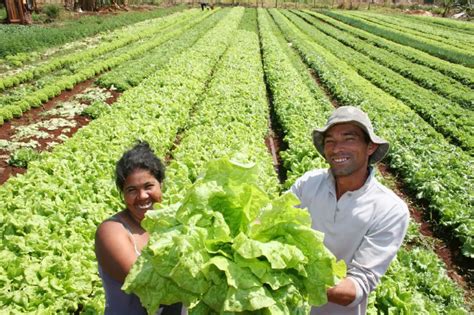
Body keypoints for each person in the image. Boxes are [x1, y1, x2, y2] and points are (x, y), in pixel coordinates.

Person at [290, 106, 409, 314]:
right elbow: (269, 223)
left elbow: (355, 289)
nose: (337, 149)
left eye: (349, 139)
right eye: (330, 141)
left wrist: (288, 273)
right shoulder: (307, 183)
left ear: (370, 147)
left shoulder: (390, 210)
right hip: (285, 307)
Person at [95, 141, 182, 315]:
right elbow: (147, 285)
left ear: (161, 185)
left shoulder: (174, 221)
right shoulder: (111, 231)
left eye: (149, 186)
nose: (142, 196)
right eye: (132, 190)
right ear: (123, 194)